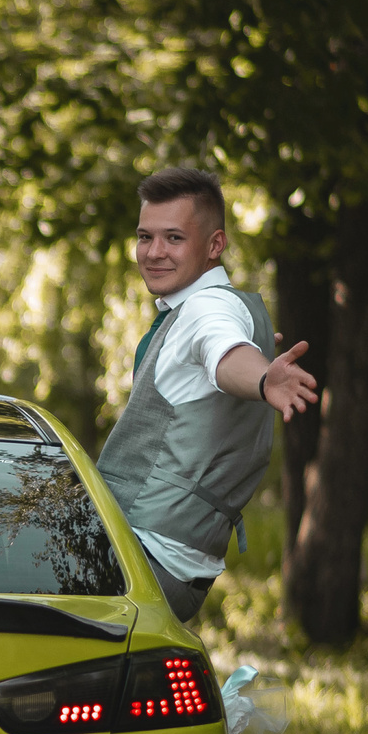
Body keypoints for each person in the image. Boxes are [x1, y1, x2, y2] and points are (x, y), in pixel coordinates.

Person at [95, 167, 318, 622]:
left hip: (143, 562)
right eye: (144, 237)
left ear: (214, 245)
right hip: (168, 563)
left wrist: (262, 379)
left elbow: (224, 353)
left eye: (173, 238)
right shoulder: (224, 306)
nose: (153, 253)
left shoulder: (206, 309)